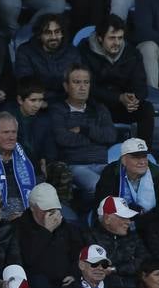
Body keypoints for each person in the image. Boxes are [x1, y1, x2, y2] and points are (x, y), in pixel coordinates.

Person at [80, 16, 155, 144]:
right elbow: (87, 88)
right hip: (95, 106)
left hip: (123, 106)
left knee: (147, 109)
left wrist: (134, 98)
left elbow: (141, 85)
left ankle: (143, 154)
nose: (117, 43)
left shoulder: (132, 53)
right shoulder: (84, 52)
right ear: (99, 38)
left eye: (120, 38)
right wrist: (118, 97)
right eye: (112, 38)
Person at [49, 64, 116, 198]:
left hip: (102, 164)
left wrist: (84, 130)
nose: (82, 87)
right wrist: (96, 137)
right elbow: (63, 139)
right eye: (77, 82)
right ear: (66, 86)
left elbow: (111, 136)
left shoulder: (99, 109)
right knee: (98, 186)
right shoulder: (58, 110)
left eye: (86, 82)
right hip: (76, 166)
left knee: (122, 183)